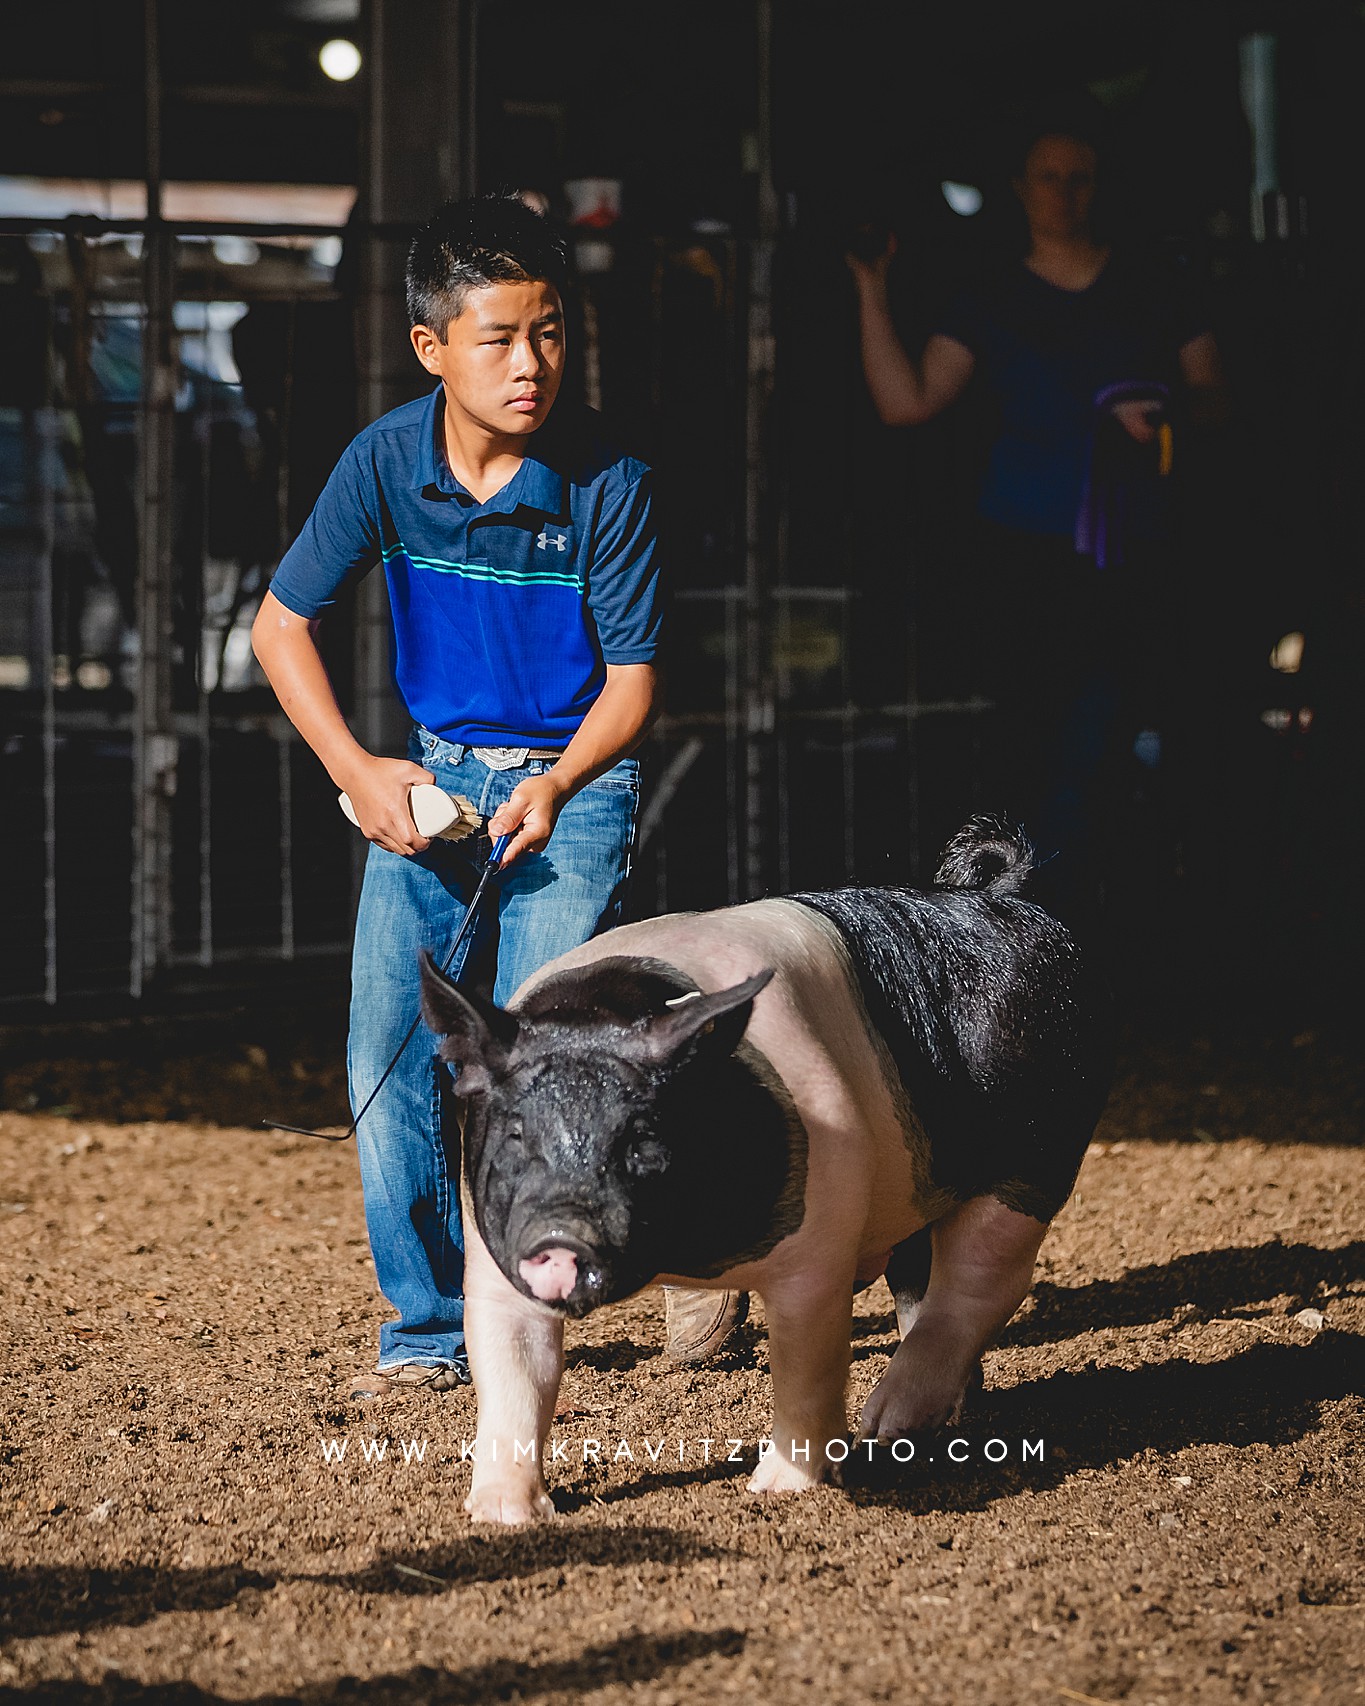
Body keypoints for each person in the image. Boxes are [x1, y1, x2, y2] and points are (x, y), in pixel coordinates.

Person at [251, 194, 739, 1396]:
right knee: (387, 1051)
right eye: (501, 337)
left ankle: (686, 1260)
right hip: (428, 786)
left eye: (553, 332)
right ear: (432, 348)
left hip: (575, 790)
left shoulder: (609, 478)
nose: (532, 364)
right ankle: (428, 1333)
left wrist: (561, 781)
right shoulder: (382, 461)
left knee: (560, 1060)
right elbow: (278, 626)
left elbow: (633, 686)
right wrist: (359, 772)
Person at [848, 122, 1229, 914]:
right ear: (1020, 189)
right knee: (1035, 737)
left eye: (1080, 177)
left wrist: (1158, 412)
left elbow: (1210, 392)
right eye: (1049, 177)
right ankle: (1037, 916)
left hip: (1137, 548)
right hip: (1024, 552)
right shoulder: (989, 297)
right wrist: (870, 289)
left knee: (1117, 731)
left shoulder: (1154, 282)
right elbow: (907, 402)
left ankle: (1115, 909)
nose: (1065, 193)